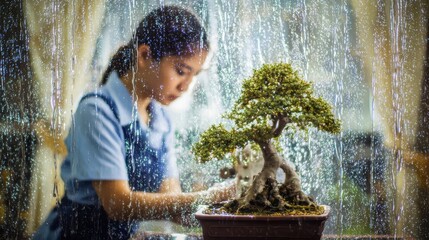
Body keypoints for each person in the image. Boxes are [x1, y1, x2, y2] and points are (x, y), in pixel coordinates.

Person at [33, 5, 234, 240]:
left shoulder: (161, 120)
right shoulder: (97, 111)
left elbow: (171, 199)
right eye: (181, 71)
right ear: (144, 55)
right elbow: (117, 203)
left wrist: (225, 207)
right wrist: (205, 198)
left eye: (194, 75)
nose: (186, 86)